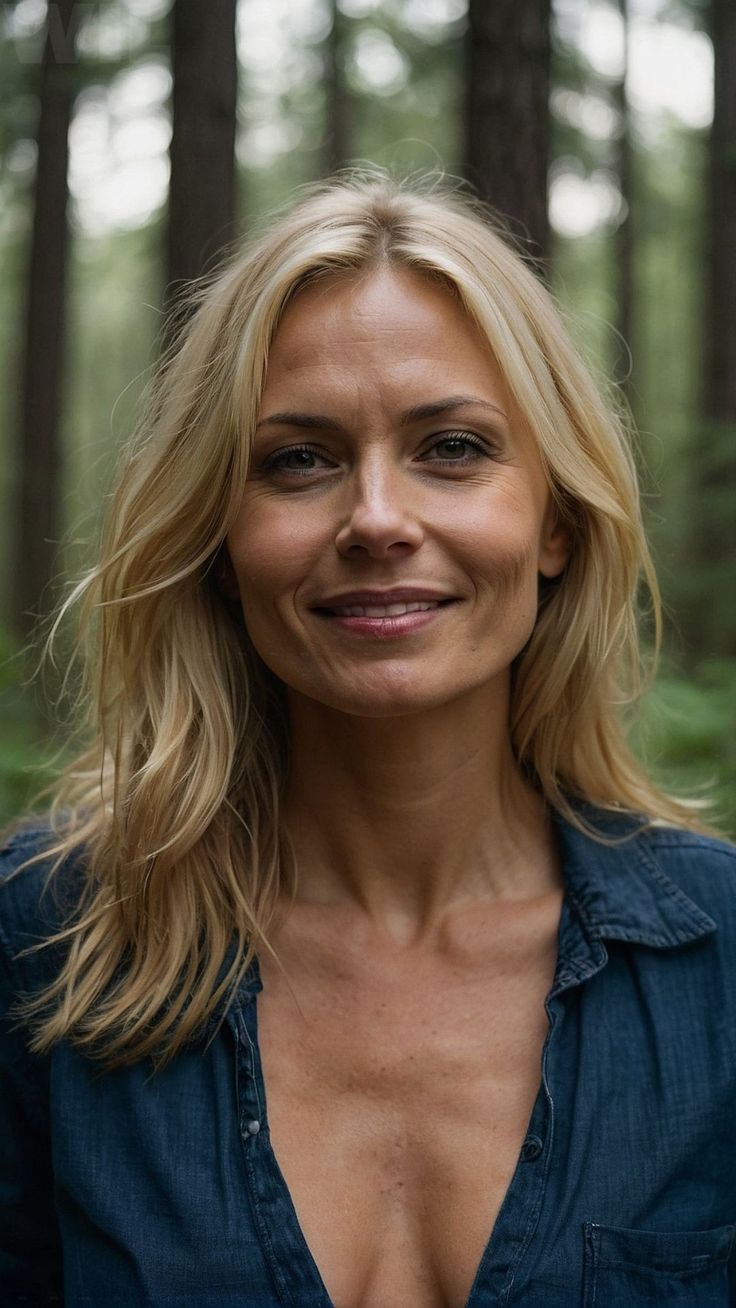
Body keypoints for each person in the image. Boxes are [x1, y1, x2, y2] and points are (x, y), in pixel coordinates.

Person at [1, 171, 734, 1308]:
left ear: (552, 518)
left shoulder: (721, 964)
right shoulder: (41, 944)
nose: (379, 519)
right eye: (299, 459)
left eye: (451, 447)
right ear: (215, 533)